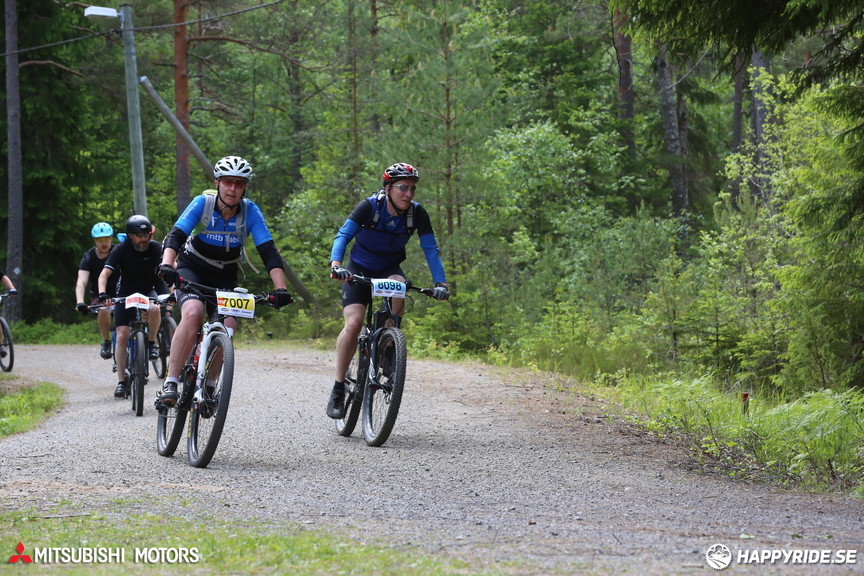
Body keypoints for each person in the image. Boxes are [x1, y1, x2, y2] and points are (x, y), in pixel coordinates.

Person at [156, 155, 293, 406]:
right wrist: (167, 264)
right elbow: (175, 235)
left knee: (228, 324)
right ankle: (172, 381)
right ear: (217, 183)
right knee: (194, 312)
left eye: (239, 184)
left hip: (225, 275)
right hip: (192, 268)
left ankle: (209, 387)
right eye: (228, 182)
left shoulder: (250, 211)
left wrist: (280, 288)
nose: (233, 188)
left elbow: (269, 253)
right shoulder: (203, 203)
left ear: (245, 187)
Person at [326, 162, 450, 419]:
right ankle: (338, 387)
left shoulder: (417, 214)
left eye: (412, 189)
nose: (409, 194)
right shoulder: (369, 207)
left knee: (399, 291)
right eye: (403, 188)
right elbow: (343, 236)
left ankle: (388, 344)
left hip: (389, 268)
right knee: (354, 323)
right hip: (358, 269)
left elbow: (431, 249)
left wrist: (441, 283)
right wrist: (336, 265)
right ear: (388, 188)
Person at [98, 215, 163, 398]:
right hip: (125, 293)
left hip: (147, 291)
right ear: (130, 236)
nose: (143, 239)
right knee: (122, 336)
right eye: (138, 235)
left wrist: (173, 291)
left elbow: (167, 269)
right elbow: (104, 274)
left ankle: (151, 344)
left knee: (155, 309)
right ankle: (120, 381)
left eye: (146, 234)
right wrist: (103, 294)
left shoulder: (156, 247)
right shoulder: (120, 250)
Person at [75, 222, 119, 359]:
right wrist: (80, 302)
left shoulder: (118, 252)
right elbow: (81, 282)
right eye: (100, 240)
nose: (104, 243)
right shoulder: (89, 257)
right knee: (104, 311)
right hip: (99, 295)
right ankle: (106, 341)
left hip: (121, 292)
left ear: (111, 239)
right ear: (95, 241)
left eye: (106, 239)